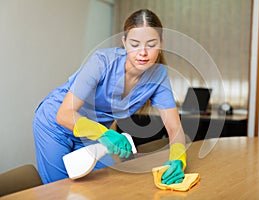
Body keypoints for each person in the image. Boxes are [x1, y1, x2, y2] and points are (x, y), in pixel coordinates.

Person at [33, 9, 186, 184]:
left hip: (93, 134)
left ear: (161, 43)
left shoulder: (159, 76)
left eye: (151, 45)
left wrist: (178, 159)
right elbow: (64, 114)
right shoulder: (102, 62)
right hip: (54, 125)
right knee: (59, 189)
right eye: (135, 44)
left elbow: (175, 129)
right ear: (125, 42)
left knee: (107, 185)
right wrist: (104, 134)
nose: (143, 52)